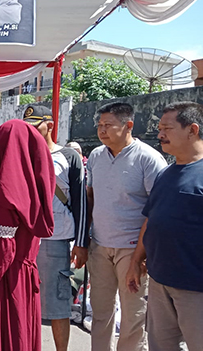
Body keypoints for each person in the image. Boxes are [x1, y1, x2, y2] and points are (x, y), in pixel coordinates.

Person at [0, 119, 55, 351]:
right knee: (19, 337)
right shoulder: (34, 191)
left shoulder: (5, 196)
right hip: (24, 279)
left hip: (3, 285)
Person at [86, 102, 166, 351]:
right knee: (100, 312)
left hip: (133, 250)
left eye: (108, 125)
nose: (102, 130)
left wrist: (141, 257)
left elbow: (156, 210)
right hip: (99, 246)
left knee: (133, 317)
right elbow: (90, 198)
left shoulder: (149, 159)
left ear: (128, 125)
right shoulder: (97, 156)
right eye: (100, 125)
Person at [126, 102, 203, 351]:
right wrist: (136, 261)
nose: (160, 135)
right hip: (160, 281)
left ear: (192, 130)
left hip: (195, 288)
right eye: (159, 128)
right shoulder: (165, 174)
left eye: (167, 128)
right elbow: (151, 220)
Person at [23, 105, 88, 351]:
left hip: (56, 238)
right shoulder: (22, 155)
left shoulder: (68, 157)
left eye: (35, 125)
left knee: (59, 303)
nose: (30, 131)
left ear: (49, 125)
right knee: (27, 302)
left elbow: (81, 201)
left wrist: (81, 243)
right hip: (26, 237)